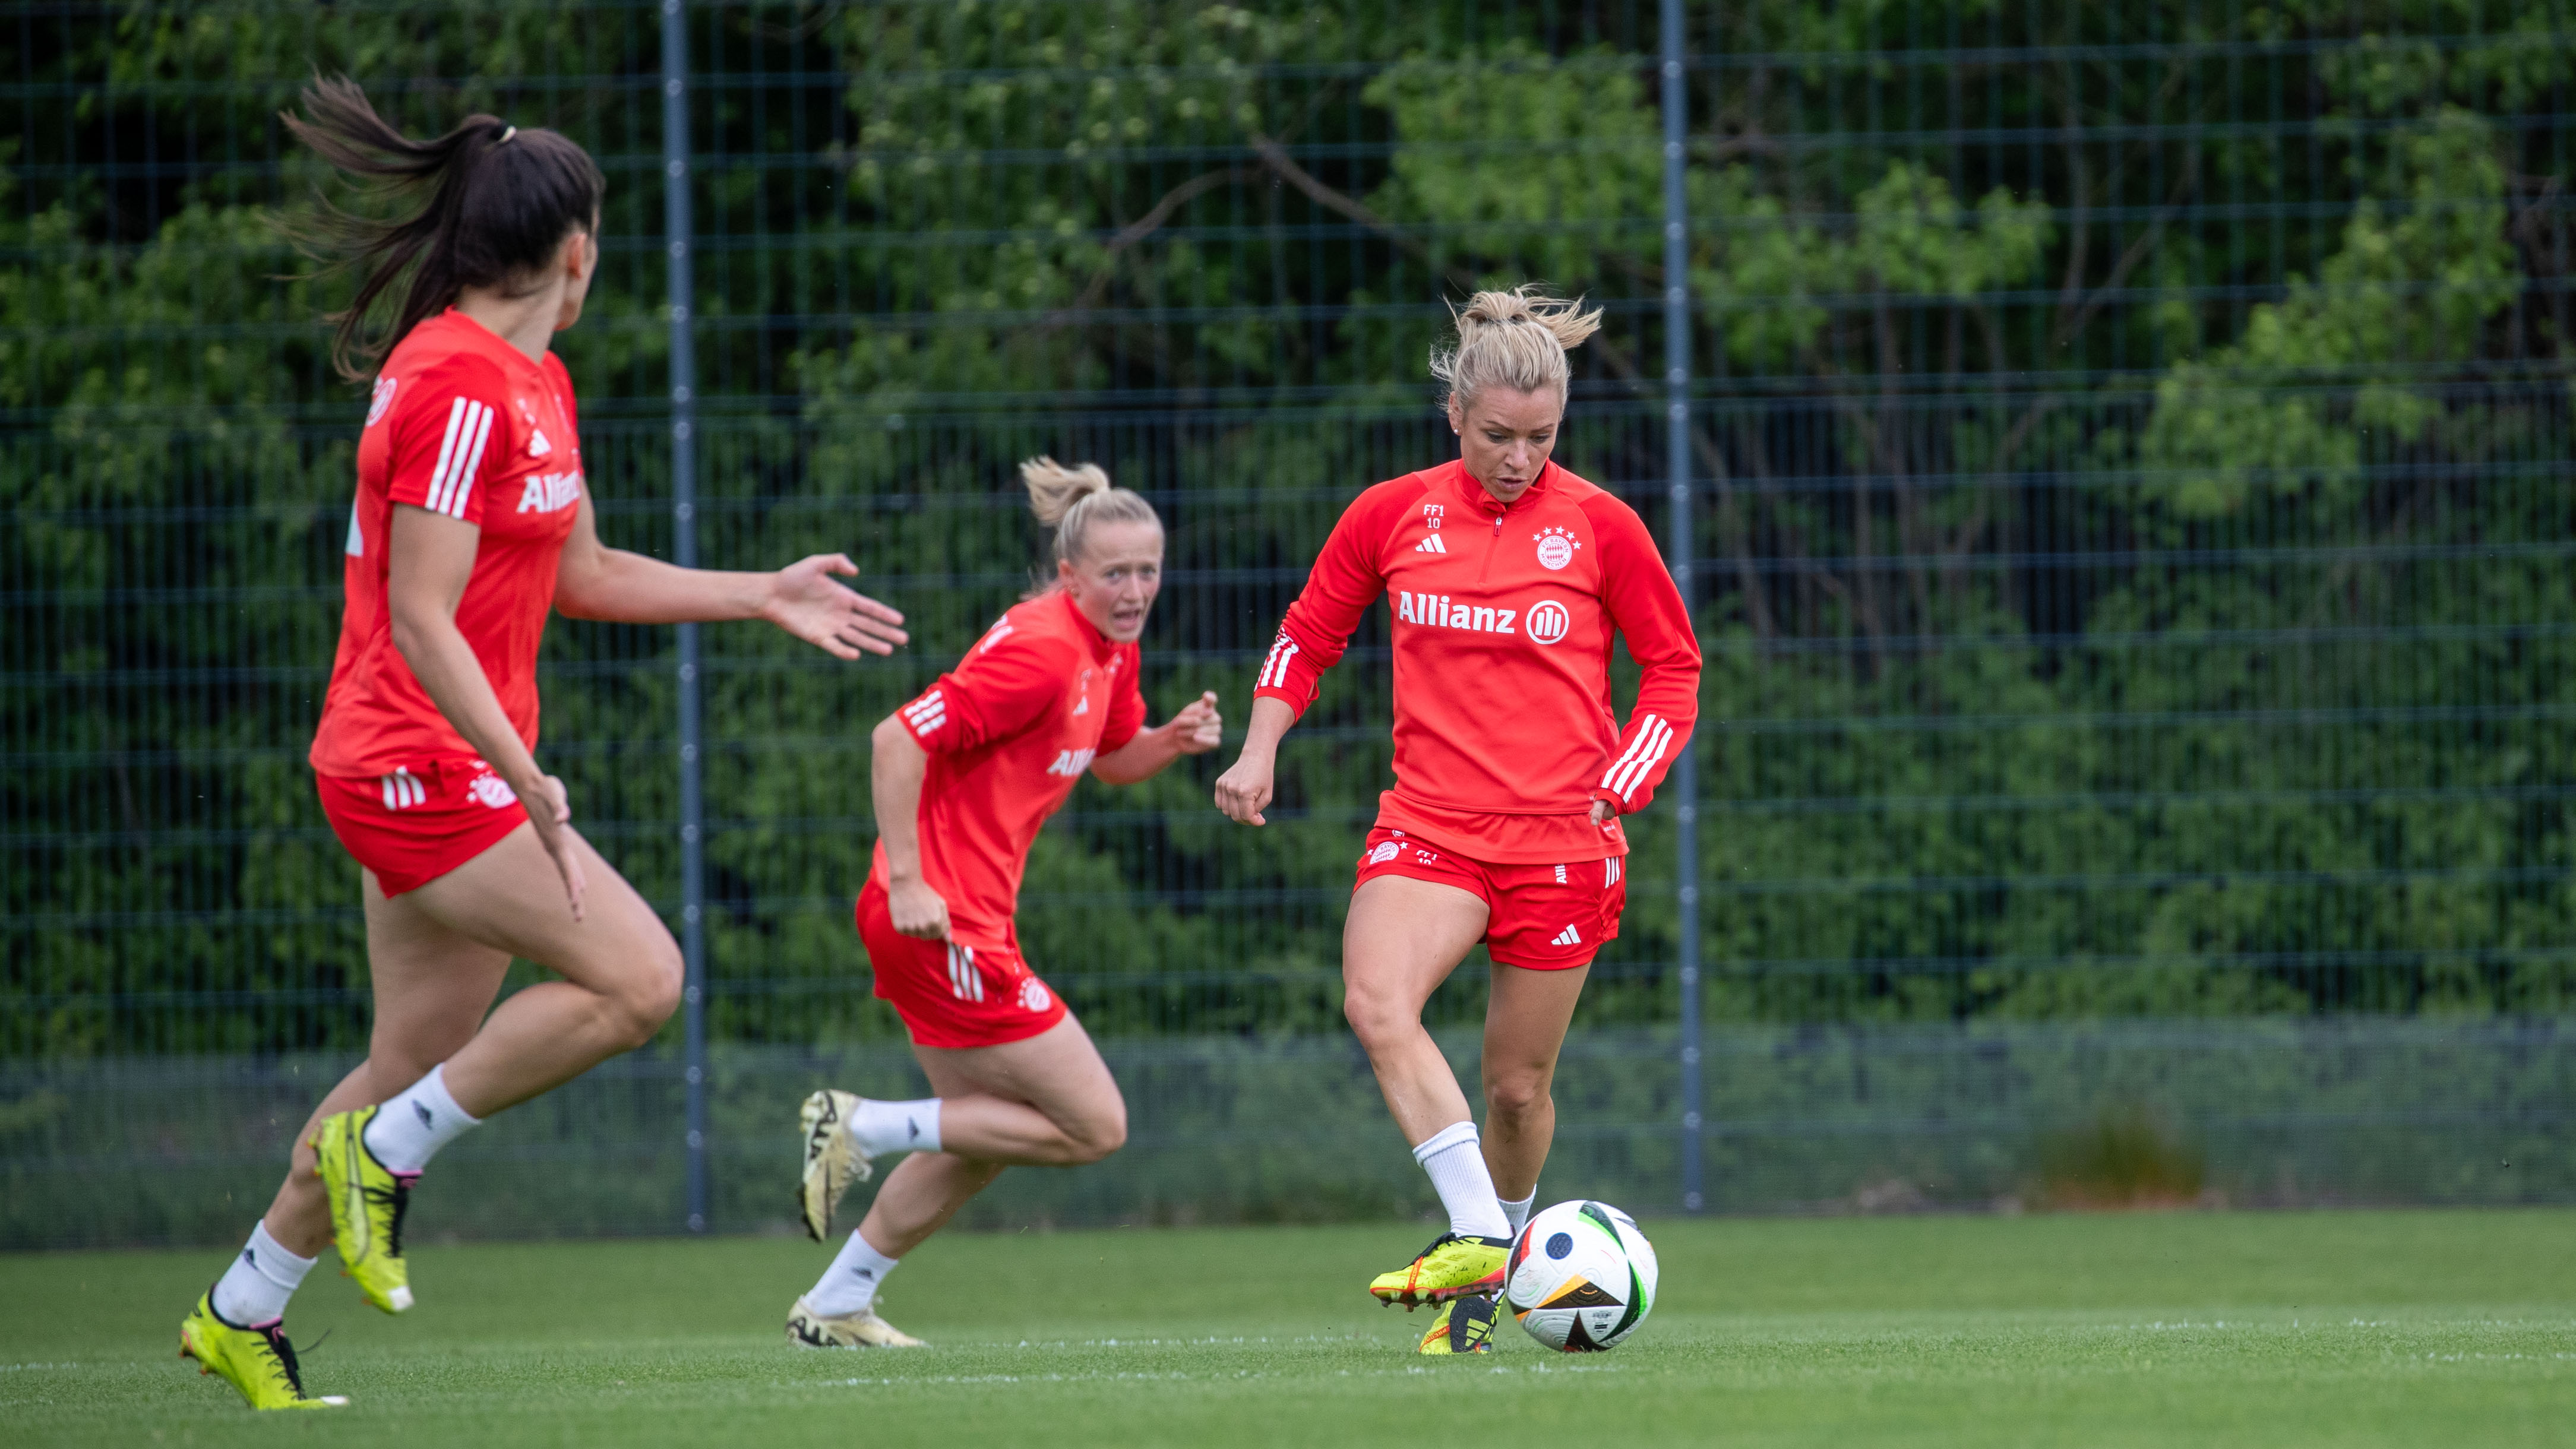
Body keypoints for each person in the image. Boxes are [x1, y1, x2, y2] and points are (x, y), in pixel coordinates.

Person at [178, 80, 911, 1412]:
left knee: (410, 1059)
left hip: (438, 757)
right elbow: (415, 607)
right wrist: (519, 770)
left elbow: (578, 570)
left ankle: (243, 1305)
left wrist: (763, 590)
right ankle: (381, 1158)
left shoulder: (534, 380)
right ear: (575, 248)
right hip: (411, 761)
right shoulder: (459, 383)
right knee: (641, 980)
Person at [1212, 287, 1701, 1355]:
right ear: (1454, 418)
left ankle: (1489, 1277)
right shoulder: (1390, 514)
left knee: (1517, 1092)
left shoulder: (1602, 526)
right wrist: (1259, 746)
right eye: (1495, 436)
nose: (1517, 458)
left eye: (1539, 438)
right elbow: (1307, 635)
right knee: (1375, 1000)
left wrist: (1629, 775)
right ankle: (1480, 1232)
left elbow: (1673, 670)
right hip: (1430, 829)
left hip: (1564, 845)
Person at [787, 458, 1222, 1349]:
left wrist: (1169, 742)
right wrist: (909, 880)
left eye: (1148, 570)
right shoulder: (1043, 649)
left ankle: (835, 1303)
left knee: (982, 1142)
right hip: (937, 920)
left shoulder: (1109, 648)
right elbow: (895, 739)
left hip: (954, 921)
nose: (1135, 590)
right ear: (1070, 576)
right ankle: (857, 1124)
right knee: (1094, 1125)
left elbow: (1109, 757)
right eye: (1115, 574)